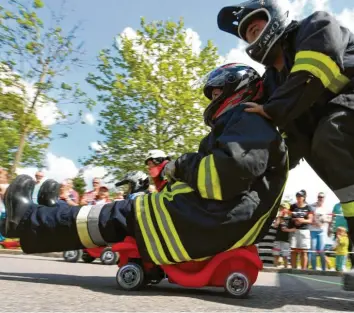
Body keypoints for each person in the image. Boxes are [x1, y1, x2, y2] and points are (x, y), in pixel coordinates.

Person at [3, 63, 288, 266]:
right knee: (118, 212)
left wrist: (181, 164)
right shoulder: (250, 125)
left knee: (119, 213)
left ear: (238, 90)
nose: (213, 98)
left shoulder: (249, 120)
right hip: (212, 217)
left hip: (208, 220)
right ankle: (52, 216)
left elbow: (223, 176)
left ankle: (27, 221)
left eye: (216, 92)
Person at [217, 0, 354, 263]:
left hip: (346, 110)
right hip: (335, 133)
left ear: (275, 18)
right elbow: (292, 139)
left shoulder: (316, 25)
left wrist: (272, 110)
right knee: (322, 156)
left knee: (328, 138)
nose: (252, 37)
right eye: (248, 35)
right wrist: (248, 170)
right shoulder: (271, 82)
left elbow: (314, 70)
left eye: (256, 29)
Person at [289, 190, 313, 269]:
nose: (299, 198)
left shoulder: (308, 207)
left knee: (304, 252)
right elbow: (289, 217)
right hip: (295, 230)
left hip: (304, 231)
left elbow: (310, 220)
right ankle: (293, 269)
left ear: (304, 197)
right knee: (293, 251)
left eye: (300, 196)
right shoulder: (292, 206)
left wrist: (302, 220)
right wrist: (295, 220)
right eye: (297, 196)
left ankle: (303, 270)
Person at [309, 192, 332, 271]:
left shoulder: (327, 208)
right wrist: (313, 222)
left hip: (322, 231)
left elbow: (329, 219)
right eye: (319, 197)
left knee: (321, 251)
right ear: (317, 197)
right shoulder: (312, 206)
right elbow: (309, 217)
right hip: (313, 231)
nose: (320, 198)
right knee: (313, 250)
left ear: (324, 198)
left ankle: (323, 269)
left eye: (322, 197)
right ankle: (314, 269)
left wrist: (324, 220)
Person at [272, 202, 294, 268]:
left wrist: (288, 230)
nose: (281, 209)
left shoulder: (290, 219)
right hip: (277, 239)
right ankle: (274, 268)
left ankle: (285, 269)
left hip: (286, 240)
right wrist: (279, 217)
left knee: (285, 256)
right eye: (281, 208)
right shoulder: (279, 217)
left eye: (283, 208)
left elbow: (294, 229)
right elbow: (275, 226)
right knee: (276, 255)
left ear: (287, 209)